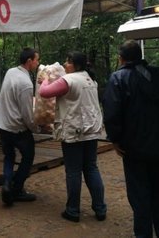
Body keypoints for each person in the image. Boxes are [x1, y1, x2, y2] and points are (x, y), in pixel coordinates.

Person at [103, 40, 159, 238]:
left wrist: (115, 140)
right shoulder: (158, 74)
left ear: (121, 58)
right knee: (158, 194)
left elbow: (112, 113)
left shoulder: (118, 78)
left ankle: (143, 234)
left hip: (133, 149)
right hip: (157, 147)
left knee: (139, 197)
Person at [38, 51, 107, 222]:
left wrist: (45, 78)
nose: (65, 64)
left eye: (67, 61)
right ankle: (100, 208)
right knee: (91, 168)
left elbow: (45, 92)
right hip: (91, 131)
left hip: (74, 132)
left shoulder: (69, 80)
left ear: (75, 65)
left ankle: (73, 210)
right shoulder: (91, 80)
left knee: (73, 171)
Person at [0, 47, 40, 206]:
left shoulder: (10, 72)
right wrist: (36, 128)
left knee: (9, 156)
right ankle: (16, 188)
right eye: (36, 60)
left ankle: (6, 184)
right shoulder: (26, 84)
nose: (38, 63)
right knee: (28, 155)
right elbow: (26, 114)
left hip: (2, 123)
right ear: (29, 61)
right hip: (16, 127)